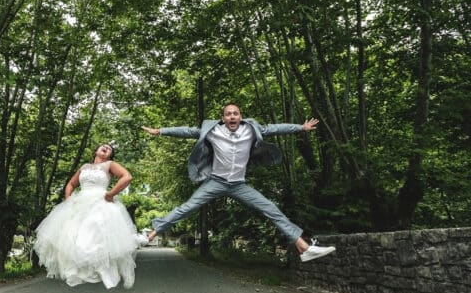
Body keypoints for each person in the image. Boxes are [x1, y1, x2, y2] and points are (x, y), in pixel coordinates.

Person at [141, 103, 335, 262]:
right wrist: (160, 131)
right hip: (215, 182)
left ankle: (304, 247)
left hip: (239, 185)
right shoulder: (213, 131)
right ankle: (150, 234)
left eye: (235, 113)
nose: (232, 116)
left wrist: (301, 127)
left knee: (271, 209)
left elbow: (276, 128)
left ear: (240, 116)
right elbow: (187, 131)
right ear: (223, 118)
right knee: (188, 207)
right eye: (228, 114)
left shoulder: (252, 130)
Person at [33, 143, 148, 289]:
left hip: (100, 202)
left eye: (110, 149)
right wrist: (69, 200)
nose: (106, 148)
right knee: (72, 236)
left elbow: (127, 177)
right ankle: (80, 270)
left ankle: (102, 269)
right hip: (80, 203)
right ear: (96, 150)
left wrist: (111, 194)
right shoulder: (84, 167)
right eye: (103, 146)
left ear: (109, 155)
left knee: (94, 231)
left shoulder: (109, 165)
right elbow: (70, 184)